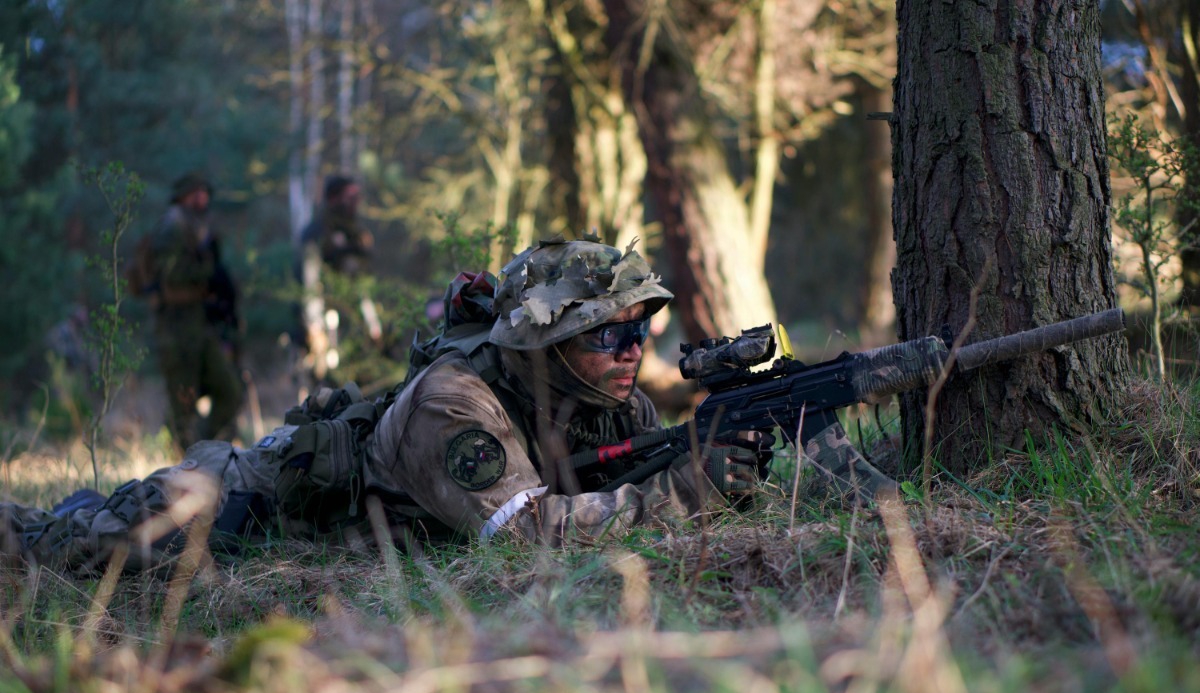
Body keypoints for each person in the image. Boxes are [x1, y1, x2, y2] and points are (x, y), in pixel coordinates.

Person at [1, 238, 892, 571]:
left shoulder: (602, 395)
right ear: (545, 343)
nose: (633, 353)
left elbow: (627, 480)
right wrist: (683, 494)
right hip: (250, 498)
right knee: (73, 544)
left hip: (350, 523)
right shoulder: (454, 400)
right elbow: (530, 535)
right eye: (609, 335)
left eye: (640, 332)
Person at [139, 172, 244, 451]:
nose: (203, 198)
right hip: (176, 329)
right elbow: (171, 276)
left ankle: (209, 453)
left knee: (229, 390)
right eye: (197, 193)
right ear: (184, 195)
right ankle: (184, 463)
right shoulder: (172, 225)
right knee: (183, 403)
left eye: (205, 192)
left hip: (199, 325)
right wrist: (208, 272)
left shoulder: (195, 225)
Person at [296, 175, 381, 384]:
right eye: (349, 196)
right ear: (334, 199)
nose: (355, 202)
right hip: (328, 321)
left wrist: (372, 322)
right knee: (330, 382)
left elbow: (362, 282)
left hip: (355, 321)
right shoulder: (316, 233)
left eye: (356, 196)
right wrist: (315, 325)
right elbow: (310, 279)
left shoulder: (357, 234)